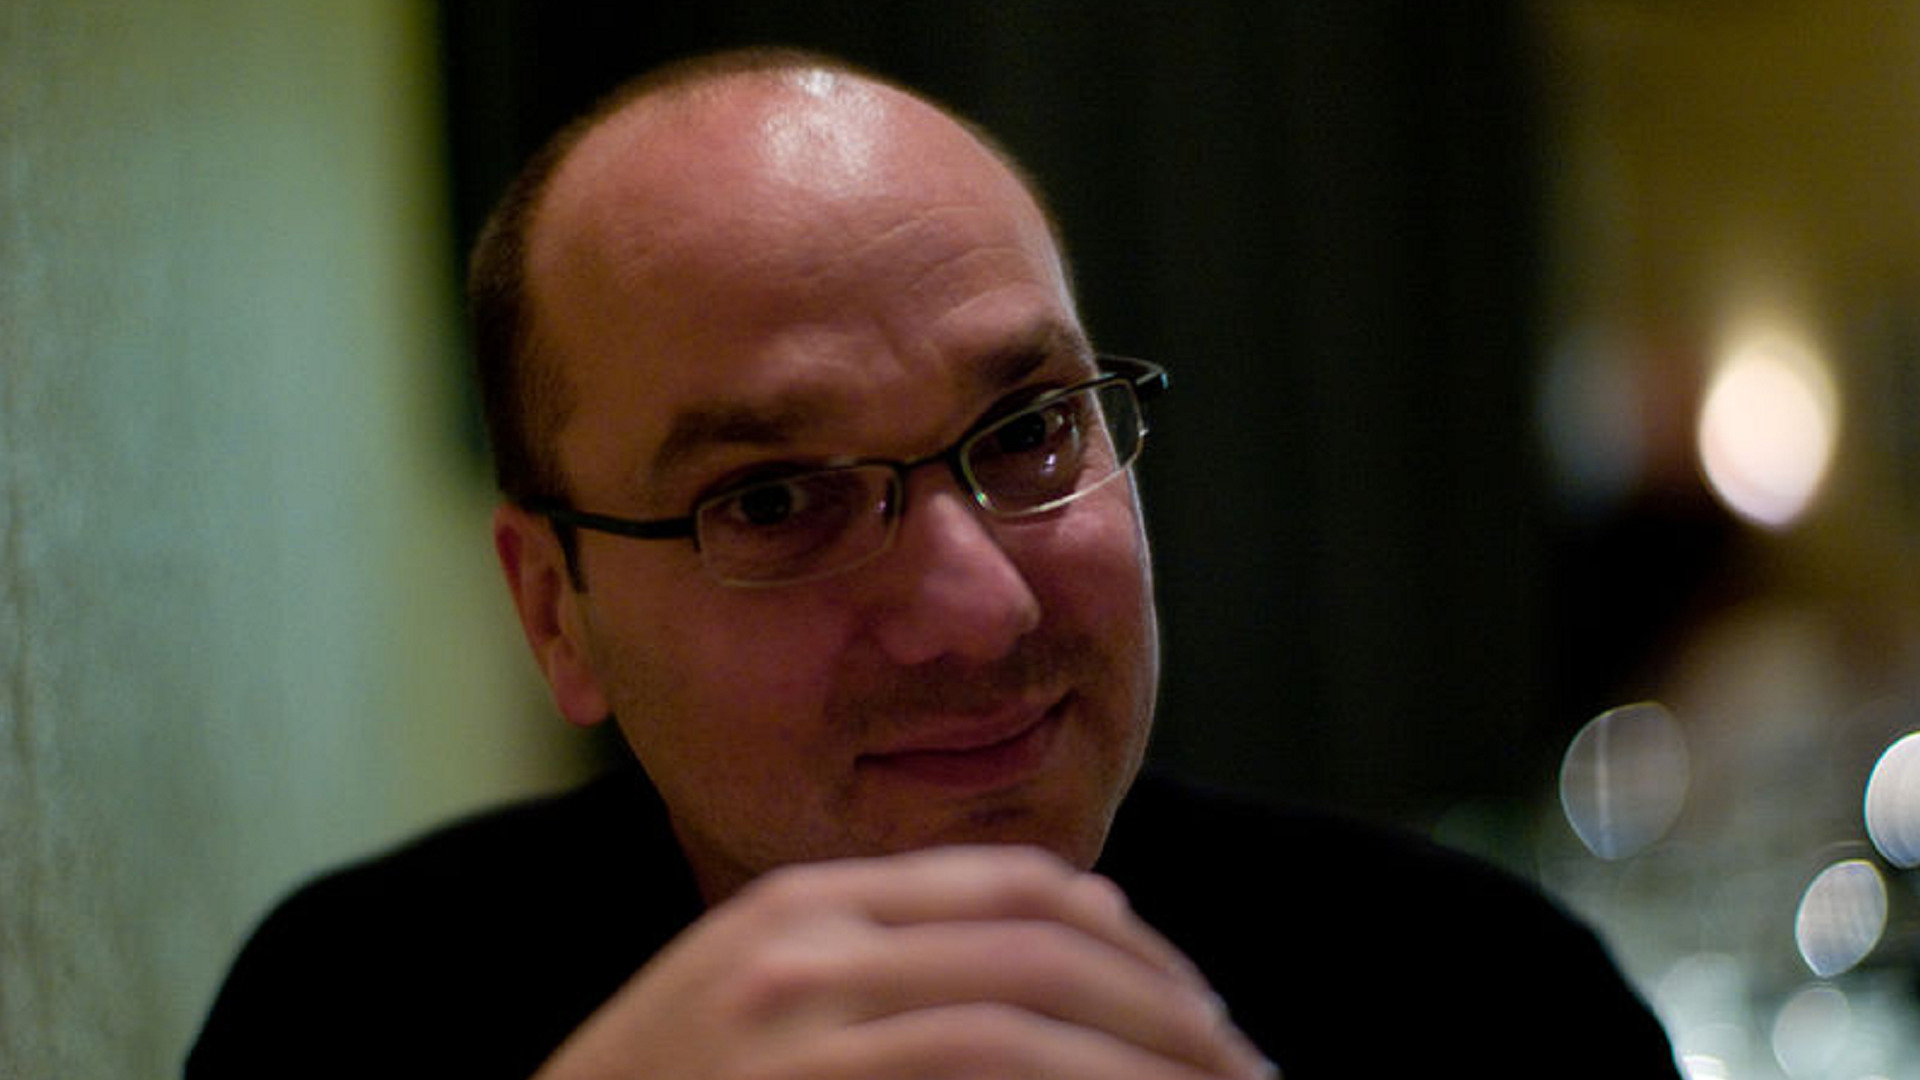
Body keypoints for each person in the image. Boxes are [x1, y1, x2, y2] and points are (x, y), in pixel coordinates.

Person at [186, 47, 1680, 1078]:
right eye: (775, 501)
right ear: (553, 613)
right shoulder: (357, 1014)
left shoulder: (1485, 1003)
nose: (978, 608)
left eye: (1031, 431)